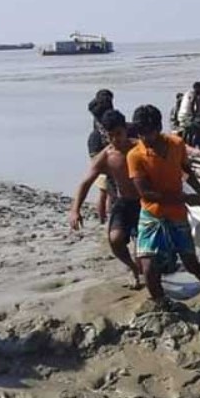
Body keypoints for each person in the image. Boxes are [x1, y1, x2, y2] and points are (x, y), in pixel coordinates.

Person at [126, 104, 200, 307]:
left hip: (177, 214)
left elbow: (185, 170)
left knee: (190, 261)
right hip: (152, 214)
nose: (145, 138)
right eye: (141, 134)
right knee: (148, 264)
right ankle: (160, 301)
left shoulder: (176, 144)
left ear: (159, 127)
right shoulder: (135, 156)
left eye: (149, 133)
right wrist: (185, 199)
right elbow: (146, 194)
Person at [70, 110, 142, 289]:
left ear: (125, 130)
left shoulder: (140, 148)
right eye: (110, 136)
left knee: (142, 249)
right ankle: (133, 269)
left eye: (118, 134)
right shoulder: (106, 156)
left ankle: (145, 269)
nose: (115, 139)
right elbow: (86, 182)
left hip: (144, 202)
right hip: (123, 202)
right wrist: (75, 210)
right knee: (115, 239)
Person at [87, 89, 115, 224]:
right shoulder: (107, 112)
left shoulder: (95, 109)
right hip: (104, 156)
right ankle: (108, 217)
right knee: (108, 192)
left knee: (103, 192)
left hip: (98, 154)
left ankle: (102, 218)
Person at [178, 82, 200, 146]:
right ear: (197, 88)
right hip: (187, 115)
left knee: (186, 130)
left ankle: (184, 146)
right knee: (193, 130)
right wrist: (194, 116)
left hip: (181, 114)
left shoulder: (187, 93)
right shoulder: (193, 95)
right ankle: (188, 147)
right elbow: (192, 105)